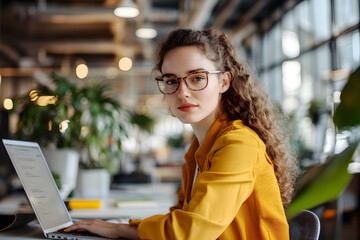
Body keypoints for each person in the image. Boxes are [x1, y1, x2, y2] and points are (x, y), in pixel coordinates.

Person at [64, 28, 298, 239]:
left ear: (224, 82)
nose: (182, 92)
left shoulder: (239, 143)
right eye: (171, 81)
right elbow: (185, 218)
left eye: (197, 78)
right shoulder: (198, 149)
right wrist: (119, 229)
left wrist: (118, 229)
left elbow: (190, 233)